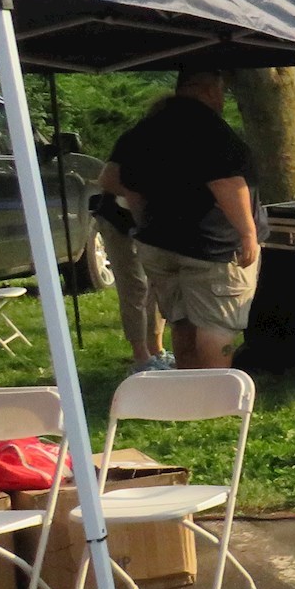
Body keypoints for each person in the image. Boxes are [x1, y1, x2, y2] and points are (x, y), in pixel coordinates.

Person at [103, 68, 264, 371]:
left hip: (159, 245)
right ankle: (215, 390)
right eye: (221, 91)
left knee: (183, 320)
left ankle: (187, 387)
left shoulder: (145, 129)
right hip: (213, 246)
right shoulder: (210, 129)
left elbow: (111, 178)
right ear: (210, 89)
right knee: (218, 323)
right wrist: (248, 233)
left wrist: (142, 213)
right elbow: (227, 183)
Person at [93, 102, 171, 373]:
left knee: (158, 283)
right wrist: (138, 197)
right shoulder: (134, 139)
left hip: (151, 223)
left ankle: (157, 349)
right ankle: (141, 357)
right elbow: (106, 179)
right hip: (118, 220)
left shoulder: (180, 143)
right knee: (135, 286)